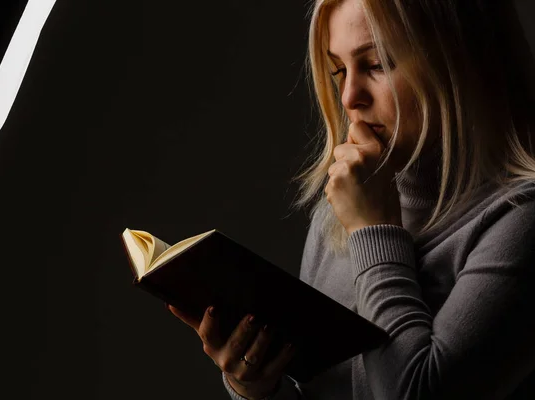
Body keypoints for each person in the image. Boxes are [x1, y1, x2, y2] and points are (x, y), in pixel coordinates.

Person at [167, 0, 535, 398]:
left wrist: (374, 231)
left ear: (462, 61)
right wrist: (257, 388)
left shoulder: (520, 219)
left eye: (376, 64)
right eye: (339, 70)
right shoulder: (337, 209)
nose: (348, 97)